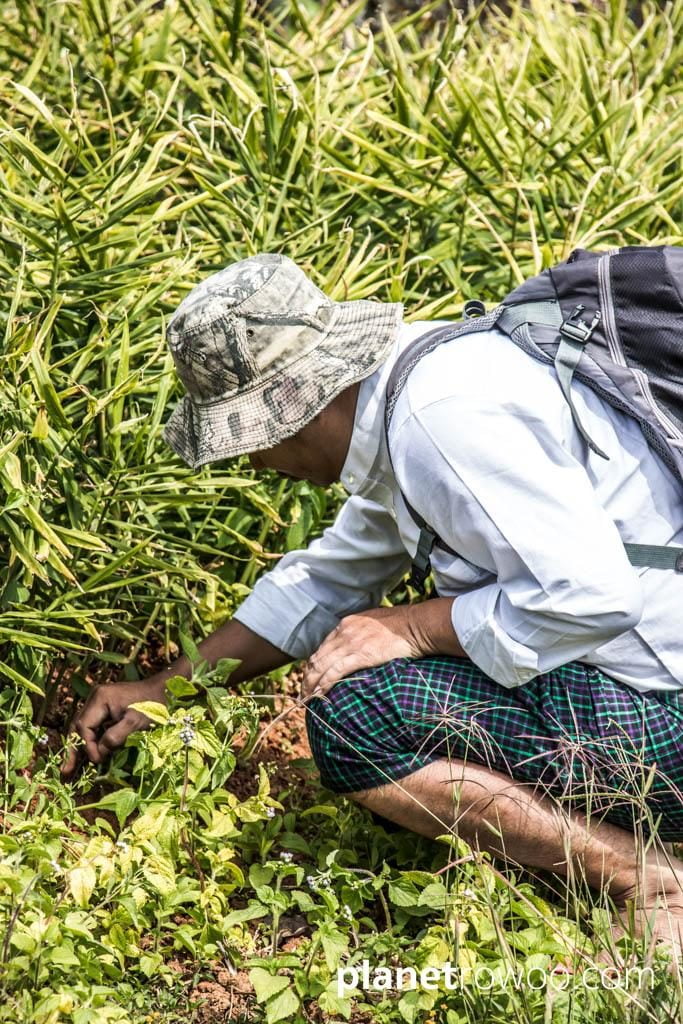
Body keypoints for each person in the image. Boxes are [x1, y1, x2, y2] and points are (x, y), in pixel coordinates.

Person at [62, 252, 683, 955]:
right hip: (652, 687)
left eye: (253, 438)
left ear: (300, 407)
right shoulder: (415, 387)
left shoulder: (440, 419)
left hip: (667, 712)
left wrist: (415, 625)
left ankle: (648, 880)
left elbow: (593, 597)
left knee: (356, 716)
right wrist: (159, 692)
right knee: (368, 685)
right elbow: (329, 580)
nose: (255, 462)